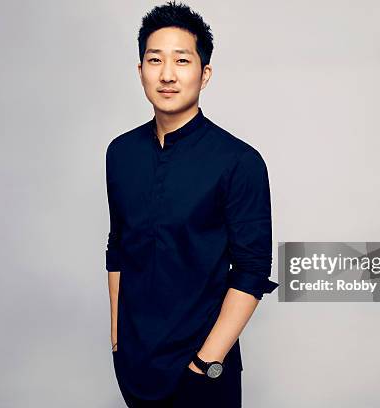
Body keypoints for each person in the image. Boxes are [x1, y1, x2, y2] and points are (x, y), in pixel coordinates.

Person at [106, 2, 278, 406]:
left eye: (182, 61)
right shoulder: (120, 153)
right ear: (140, 71)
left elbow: (252, 271)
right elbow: (119, 247)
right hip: (134, 364)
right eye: (155, 60)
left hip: (202, 371)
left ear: (205, 74)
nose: (167, 74)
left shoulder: (239, 161)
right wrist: (117, 339)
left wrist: (206, 363)